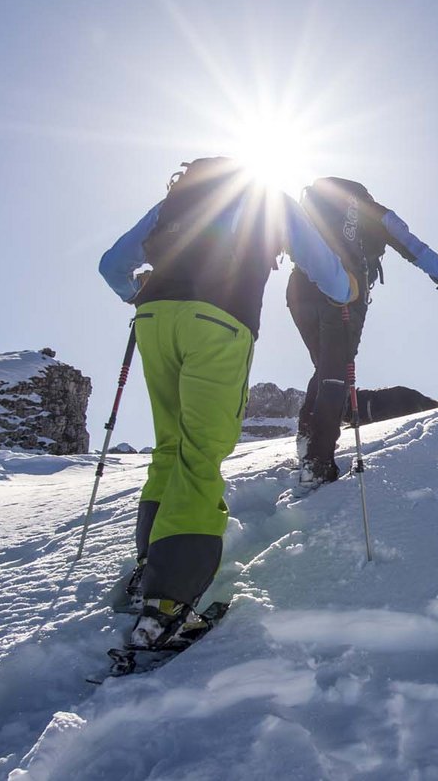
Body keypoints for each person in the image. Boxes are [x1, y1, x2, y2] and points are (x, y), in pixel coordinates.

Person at [96, 156, 293, 648]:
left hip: (154, 319)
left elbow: (111, 265)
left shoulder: (174, 203)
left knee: (169, 447)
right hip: (221, 321)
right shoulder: (269, 201)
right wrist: (341, 290)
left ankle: (153, 571)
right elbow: (329, 272)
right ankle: (168, 605)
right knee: (200, 452)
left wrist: (135, 291)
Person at [289, 176, 438, 490]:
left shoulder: (315, 207)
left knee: (328, 367)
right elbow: (410, 245)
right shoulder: (373, 211)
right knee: (336, 370)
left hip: (299, 290)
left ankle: (307, 436)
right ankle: (317, 460)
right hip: (343, 291)